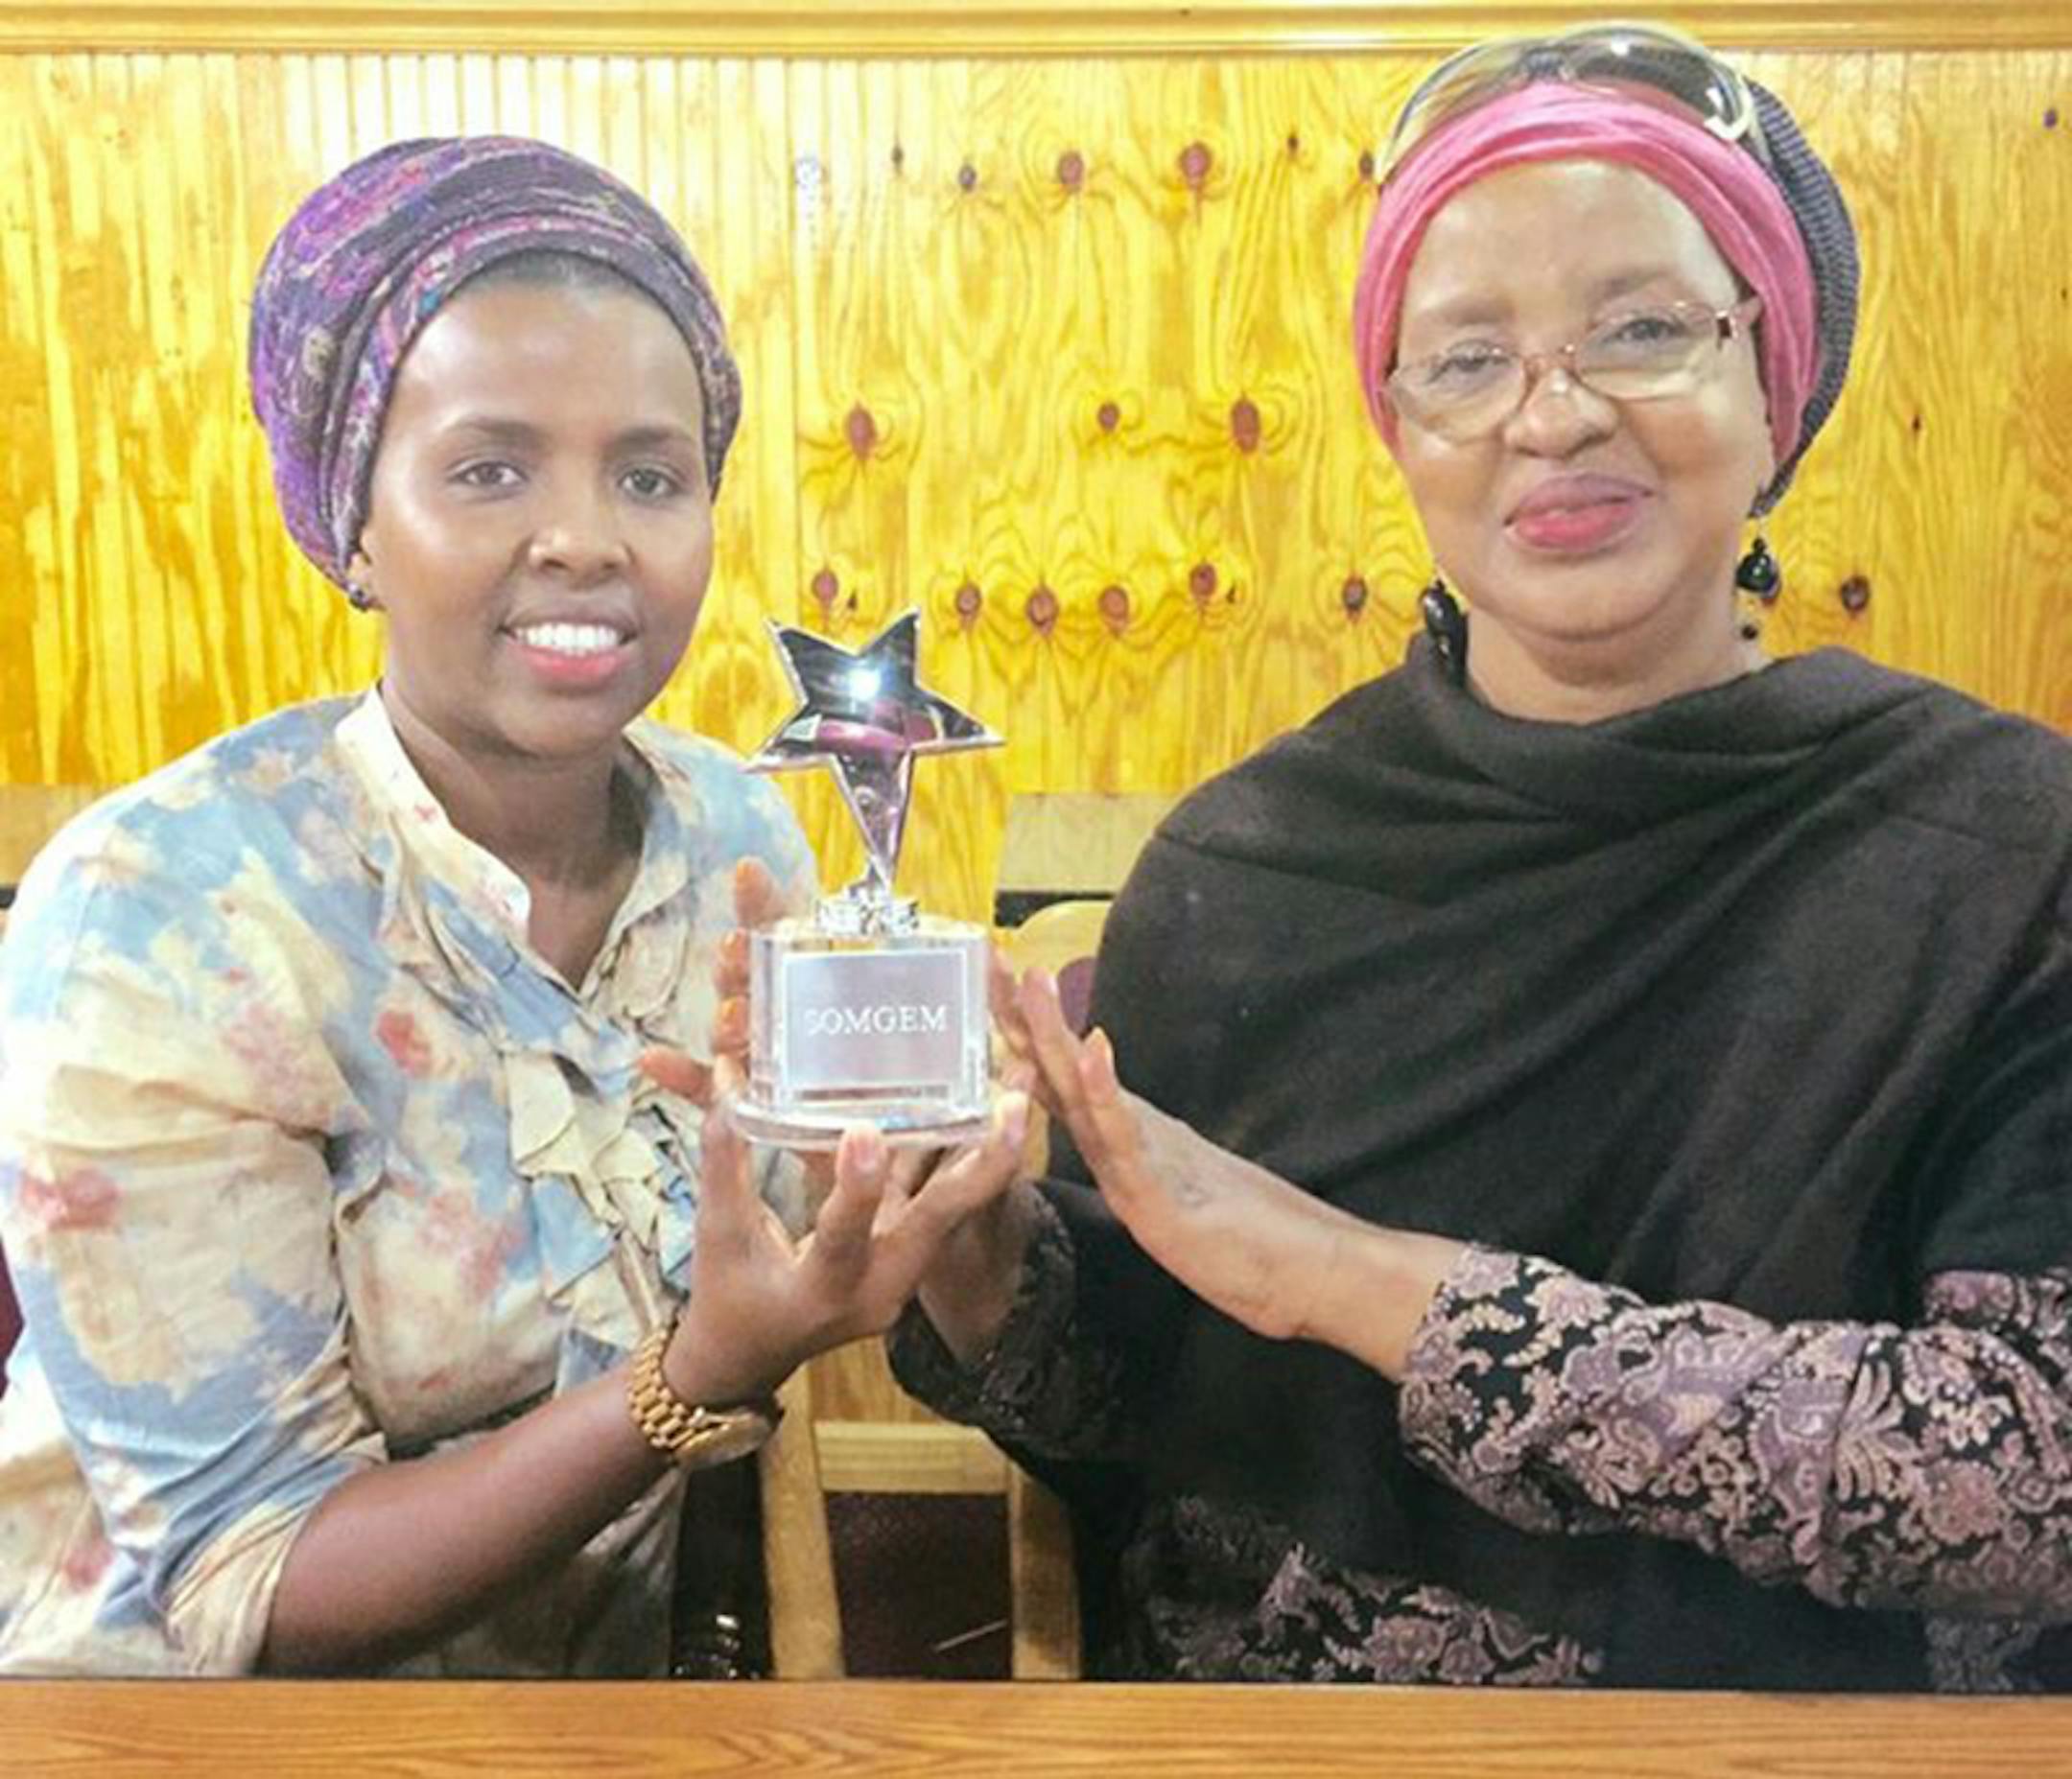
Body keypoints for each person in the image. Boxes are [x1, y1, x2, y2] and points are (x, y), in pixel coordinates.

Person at [889, 23, 2072, 1691]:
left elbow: (2031, 1476)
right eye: (1466, 358)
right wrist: (971, 1251)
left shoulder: (2004, 852)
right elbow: (1149, 1447)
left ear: (1770, 379)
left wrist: (1377, 1287)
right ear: (1398, 427)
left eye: (1645, 328)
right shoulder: (1249, 872)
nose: (1555, 413)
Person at [0, 136, 1024, 1676]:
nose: (588, 539)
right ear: (351, 520)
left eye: (650, 474)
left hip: (596, 1712)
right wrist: (699, 1372)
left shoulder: (737, 833)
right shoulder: (167, 914)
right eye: (488, 468)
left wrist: (968, 1191)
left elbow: (842, 1251)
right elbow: (248, 1582)